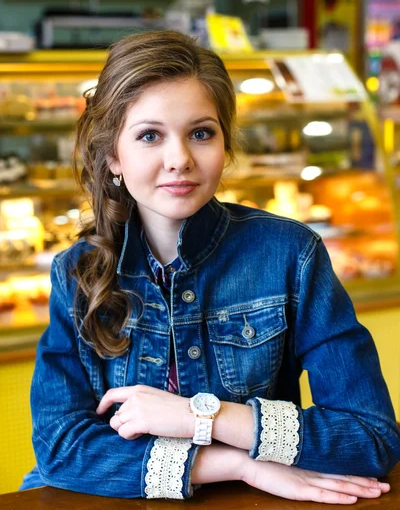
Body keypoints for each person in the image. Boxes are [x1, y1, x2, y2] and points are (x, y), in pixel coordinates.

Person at [21, 30, 400, 504]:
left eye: (201, 133)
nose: (179, 159)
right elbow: (59, 450)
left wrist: (199, 417)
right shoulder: (74, 273)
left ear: (226, 145)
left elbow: (371, 436)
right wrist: (238, 464)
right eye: (149, 136)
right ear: (113, 156)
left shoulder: (291, 254)